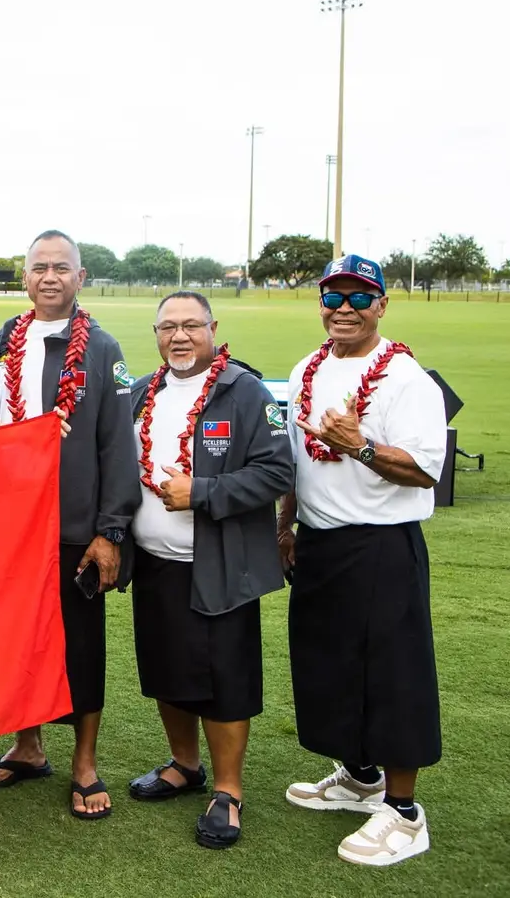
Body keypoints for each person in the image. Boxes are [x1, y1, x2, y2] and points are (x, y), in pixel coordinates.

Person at [278, 256, 447, 867]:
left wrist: (361, 445)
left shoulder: (406, 379)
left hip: (381, 545)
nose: (343, 308)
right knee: (328, 667)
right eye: (333, 296)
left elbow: (428, 467)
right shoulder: (307, 368)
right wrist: (285, 524)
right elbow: (297, 457)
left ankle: (404, 811)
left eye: (358, 296)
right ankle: (359, 777)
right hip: (319, 541)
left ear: (381, 305)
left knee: (393, 676)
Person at [0, 229, 139, 819]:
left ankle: (84, 761)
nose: (49, 277)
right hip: (12, 526)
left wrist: (109, 530)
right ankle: (27, 746)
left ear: (80, 277)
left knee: (81, 645)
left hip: (75, 528)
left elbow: (120, 445)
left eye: (60, 268)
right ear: (25, 277)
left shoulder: (103, 349)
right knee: (18, 639)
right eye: (39, 267)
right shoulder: (1, 340)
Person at [123, 291, 293, 849]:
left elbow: (276, 472)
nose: (179, 336)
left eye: (191, 325)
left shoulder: (245, 391)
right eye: (168, 326)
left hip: (220, 565)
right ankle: (183, 764)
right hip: (156, 565)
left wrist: (202, 492)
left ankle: (228, 791)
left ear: (212, 328)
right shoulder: (144, 393)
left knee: (225, 682)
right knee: (167, 671)